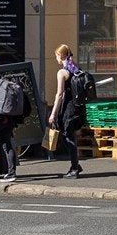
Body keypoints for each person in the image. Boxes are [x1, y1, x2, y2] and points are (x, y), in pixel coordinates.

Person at [48, 44, 87, 178]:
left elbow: (59, 94)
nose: (56, 58)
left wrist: (53, 113)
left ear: (61, 56)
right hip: (79, 107)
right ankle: (75, 164)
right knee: (69, 136)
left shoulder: (62, 72)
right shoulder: (76, 69)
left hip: (68, 109)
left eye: (56, 56)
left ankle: (75, 168)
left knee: (68, 137)